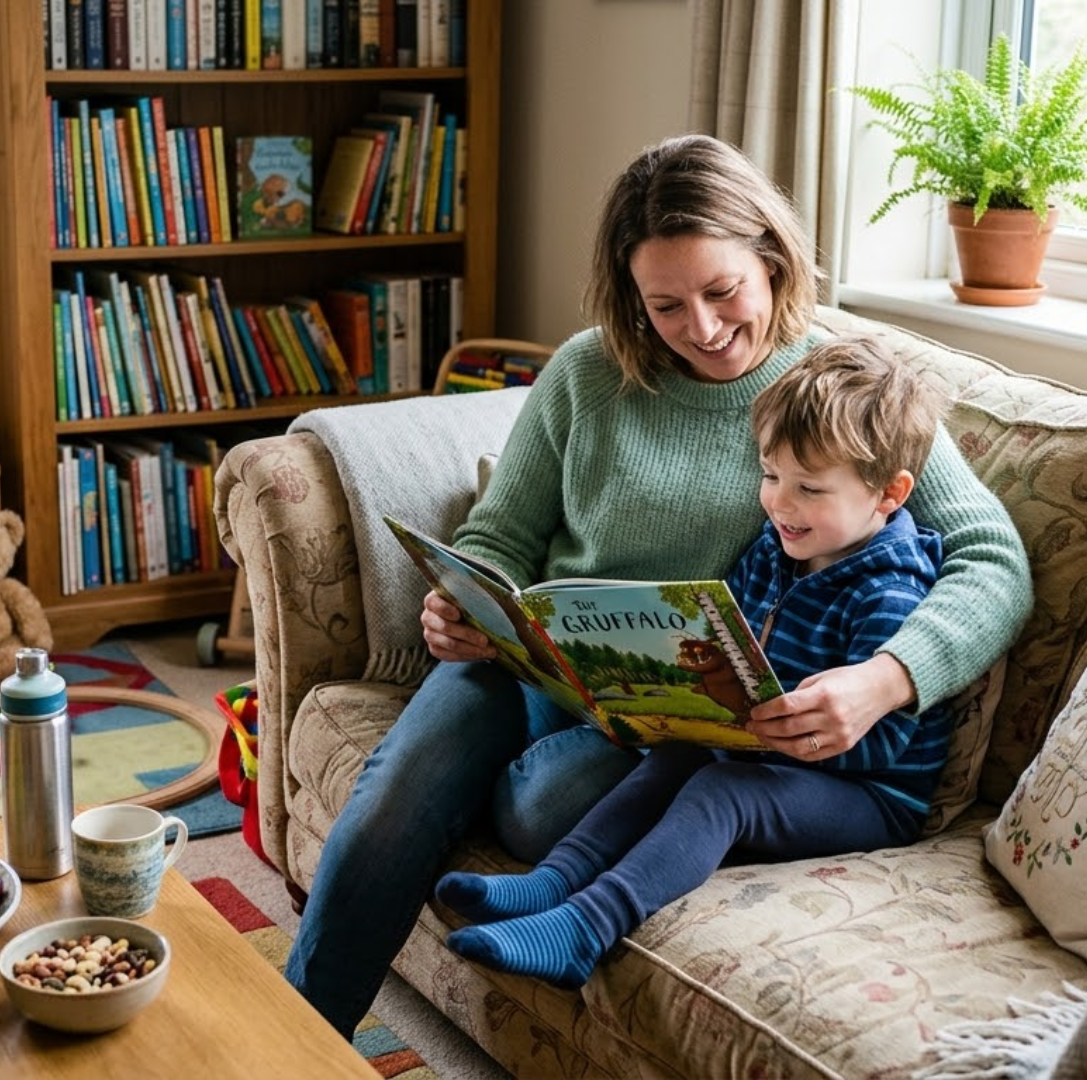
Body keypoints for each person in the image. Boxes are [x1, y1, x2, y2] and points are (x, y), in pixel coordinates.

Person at [283, 133, 1032, 1037]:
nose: (703, 328)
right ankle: (295, 1040)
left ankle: (532, 857)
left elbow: (993, 558)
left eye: (723, 291)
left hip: (668, 721)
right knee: (393, 799)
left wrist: (886, 680)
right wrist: (464, 604)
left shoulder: (837, 394)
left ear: (772, 258)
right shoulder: (587, 371)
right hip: (528, 666)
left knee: (540, 811)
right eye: (666, 305)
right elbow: (502, 533)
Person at [434, 335, 950, 988]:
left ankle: (584, 929)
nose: (781, 503)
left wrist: (771, 734)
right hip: (765, 750)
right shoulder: (777, 546)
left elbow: (880, 747)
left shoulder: (890, 591)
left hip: (869, 795)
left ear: (889, 494)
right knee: (675, 755)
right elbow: (737, 642)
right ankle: (553, 881)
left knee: (723, 790)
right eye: (771, 476)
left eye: (810, 488)